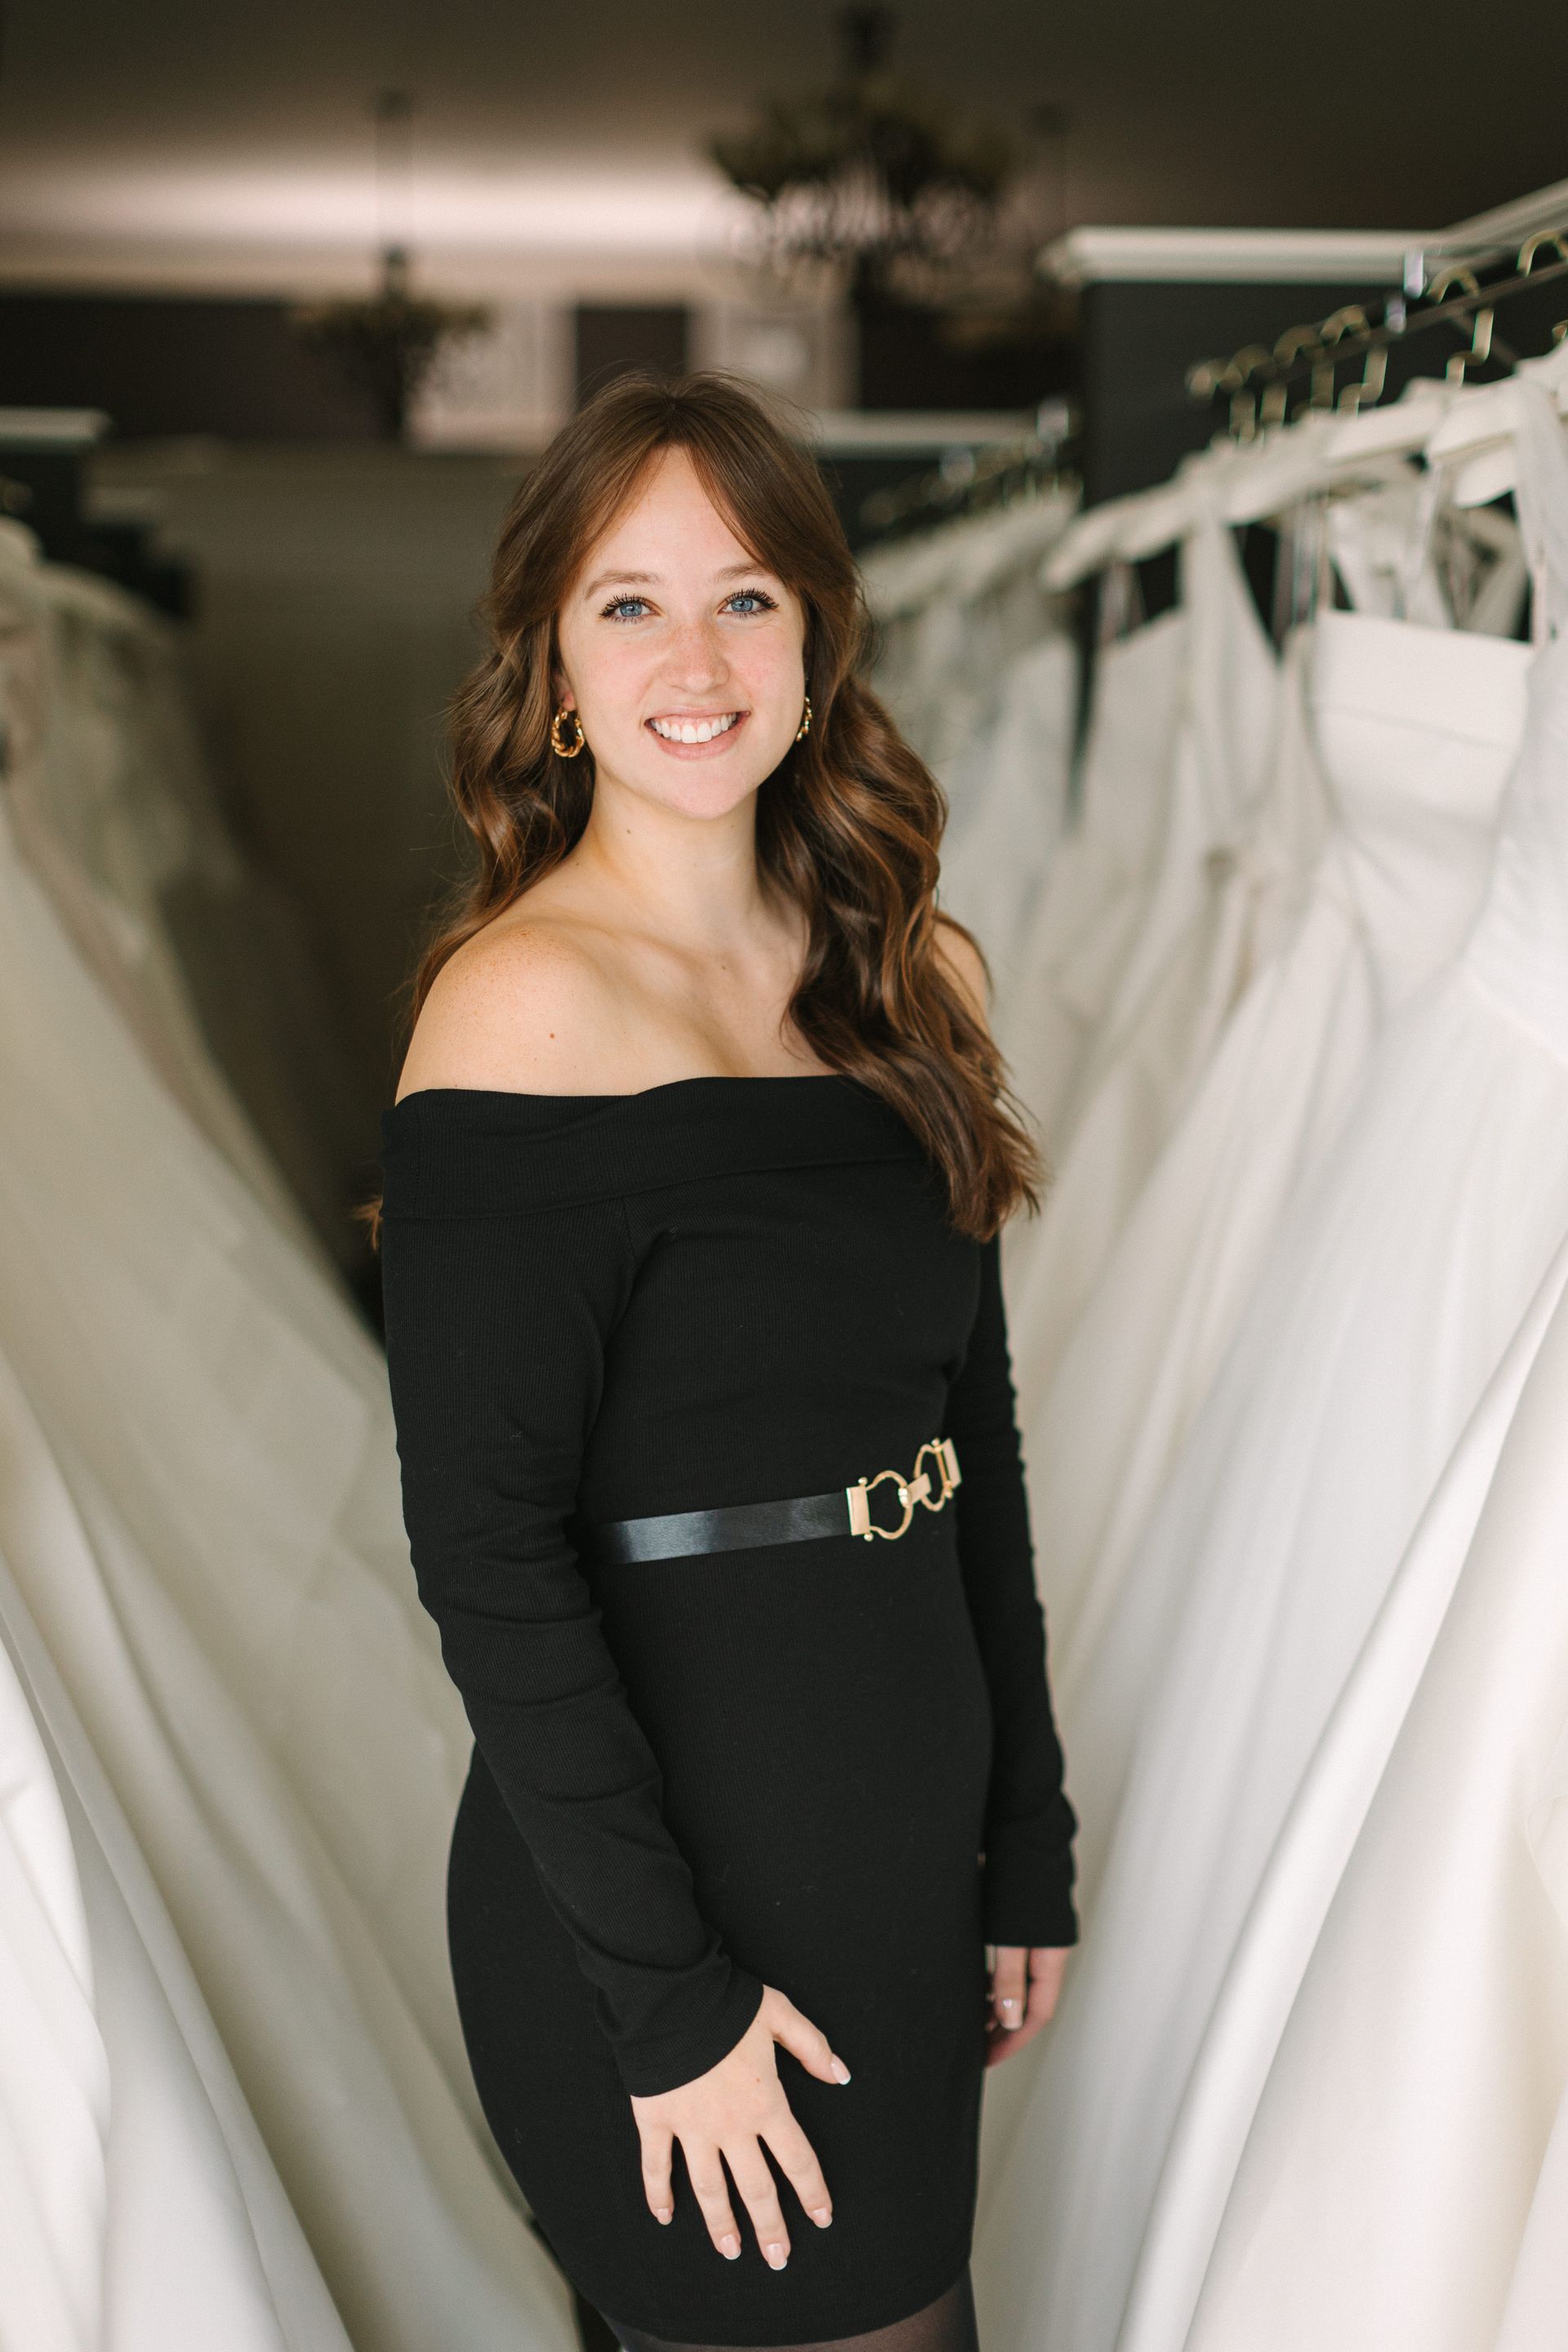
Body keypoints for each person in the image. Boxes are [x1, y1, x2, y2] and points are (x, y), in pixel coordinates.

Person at [375, 369, 1078, 2352]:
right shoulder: (514, 1008)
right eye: (629, 603)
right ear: (552, 669)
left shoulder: (895, 968)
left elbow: (977, 1439)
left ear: (818, 637)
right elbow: (491, 1557)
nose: (696, 657)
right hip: (656, 1891)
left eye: (749, 596)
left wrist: (1025, 1828)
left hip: (896, 1835)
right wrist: (666, 2003)